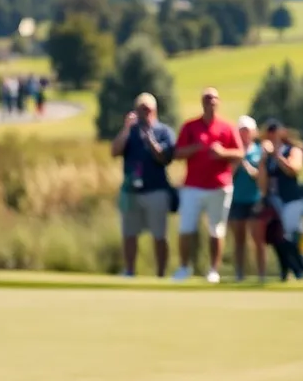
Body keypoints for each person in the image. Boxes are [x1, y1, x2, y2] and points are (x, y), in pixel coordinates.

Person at [172, 87, 243, 283]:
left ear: (218, 102)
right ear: (202, 102)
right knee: (186, 228)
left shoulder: (227, 127)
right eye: (207, 98)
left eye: (213, 99)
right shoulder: (190, 126)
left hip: (219, 186)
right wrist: (195, 148)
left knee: (216, 230)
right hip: (192, 186)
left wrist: (222, 153)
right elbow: (177, 153)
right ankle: (184, 268)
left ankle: (213, 270)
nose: (210, 102)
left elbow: (240, 153)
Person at [110, 92, 175, 277]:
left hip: (157, 190)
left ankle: (161, 273)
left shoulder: (164, 131)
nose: (144, 113)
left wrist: (151, 140)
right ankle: (129, 270)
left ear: (155, 110)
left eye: (147, 109)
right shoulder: (130, 132)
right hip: (131, 191)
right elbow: (115, 151)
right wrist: (126, 129)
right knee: (129, 233)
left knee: (159, 235)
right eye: (141, 109)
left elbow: (165, 157)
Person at [259, 120, 303, 281]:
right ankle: (285, 270)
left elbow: (293, 170)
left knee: (288, 235)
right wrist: (263, 160)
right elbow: (262, 184)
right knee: (276, 237)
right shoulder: (267, 157)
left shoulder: (292, 150)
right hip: (275, 201)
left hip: (292, 199)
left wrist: (276, 155)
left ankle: (302, 269)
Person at [227, 115, 268, 283]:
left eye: (247, 130)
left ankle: (262, 274)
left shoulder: (259, 151)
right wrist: (238, 162)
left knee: (258, 239)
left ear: (253, 132)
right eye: (241, 130)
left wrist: (247, 166)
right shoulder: (233, 152)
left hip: (255, 199)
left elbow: (260, 176)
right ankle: (239, 273)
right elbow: (228, 175)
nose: (244, 134)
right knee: (239, 240)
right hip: (236, 199)